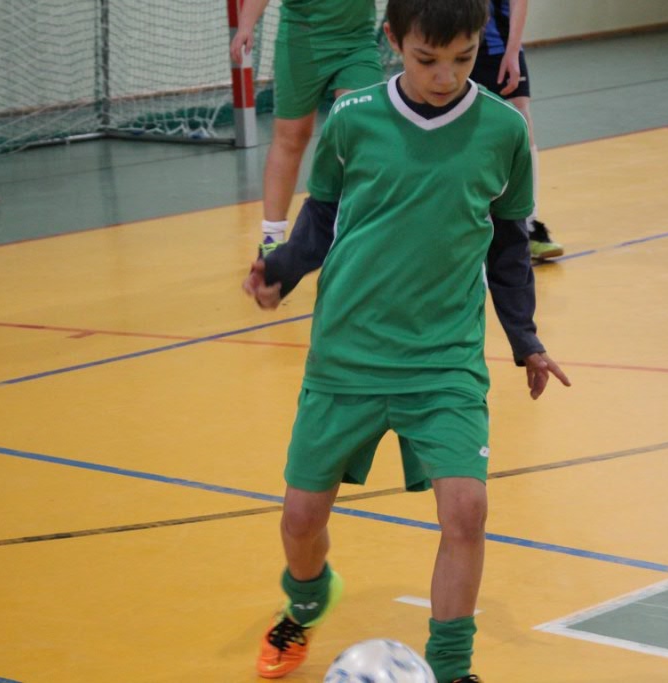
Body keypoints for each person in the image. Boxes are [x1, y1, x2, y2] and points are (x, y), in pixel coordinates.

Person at [242, 0, 571, 680]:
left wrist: (525, 337)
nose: (445, 76)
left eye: (463, 58)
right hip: (348, 354)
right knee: (300, 518)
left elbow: (509, 246)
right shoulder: (353, 117)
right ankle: (307, 600)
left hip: (443, 360)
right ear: (393, 40)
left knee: (467, 510)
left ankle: (452, 666)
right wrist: (281, 271)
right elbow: (322, 219)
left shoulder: (503, 130)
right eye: (427, 60)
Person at [229, 0, 383, 258]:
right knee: (292, 136)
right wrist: (246, 26)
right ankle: (272, 241)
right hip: (302, 41)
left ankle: (356, 232)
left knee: (360, 130)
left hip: (358, 42)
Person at [471, 0, 563, 260]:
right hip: (454, 42)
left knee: (519, 118)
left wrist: (513, 50)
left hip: (498, 45)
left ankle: (528, 224)